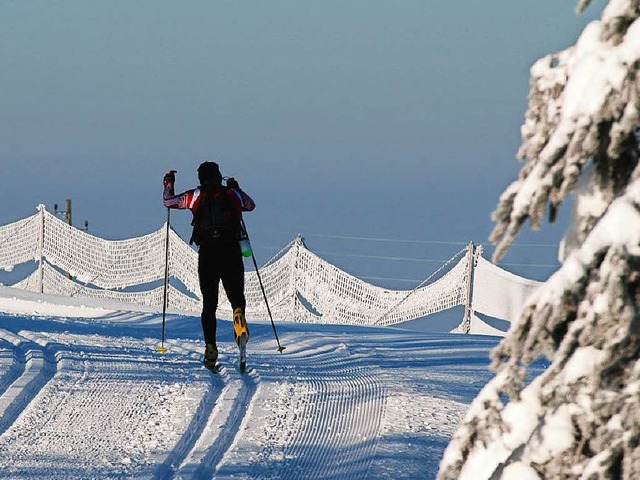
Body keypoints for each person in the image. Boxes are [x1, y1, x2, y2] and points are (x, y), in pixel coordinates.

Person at [163, 161, 255, 368]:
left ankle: (211, 347)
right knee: (236, 297)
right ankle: (238, 315)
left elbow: (168, 202)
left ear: (200, 178)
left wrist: (168, 183)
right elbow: (250, 205)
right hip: (232, 250)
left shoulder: (195, 195)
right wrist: (236, 188)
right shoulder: (231, 194)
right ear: (219, 175)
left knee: (209, 304)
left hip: (208, 254)